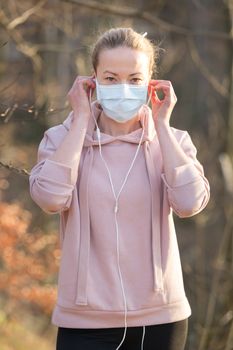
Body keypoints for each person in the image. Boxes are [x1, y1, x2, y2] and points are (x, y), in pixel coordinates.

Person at [29, 27, 210, 350]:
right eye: (111, 78)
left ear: (151, 82)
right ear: (92, 80)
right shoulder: (62, 139)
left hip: (161, 320)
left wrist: (163, 127)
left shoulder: (173, 141)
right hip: (84, 321)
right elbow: (50, 198)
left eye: (134, 79)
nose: (123, 88)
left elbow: (189, 203)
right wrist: (81, 118)